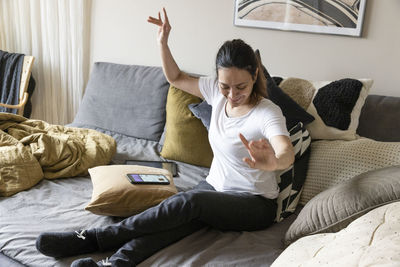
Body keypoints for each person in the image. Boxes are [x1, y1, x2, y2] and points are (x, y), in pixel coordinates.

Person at [35, 8, 294, 267]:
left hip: (253, 204)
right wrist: (163, 42)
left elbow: (286, 153)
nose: (232, 94)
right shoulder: (215, 92)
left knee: (189, 201)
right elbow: (176, 77)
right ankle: (114, 264)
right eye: (225, 86)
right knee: (171, 220)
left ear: (255, 76)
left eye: (241, 87)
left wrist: (272, 162)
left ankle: (94, 238)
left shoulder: (266, 113)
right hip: (213, 188)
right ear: (218, 78)